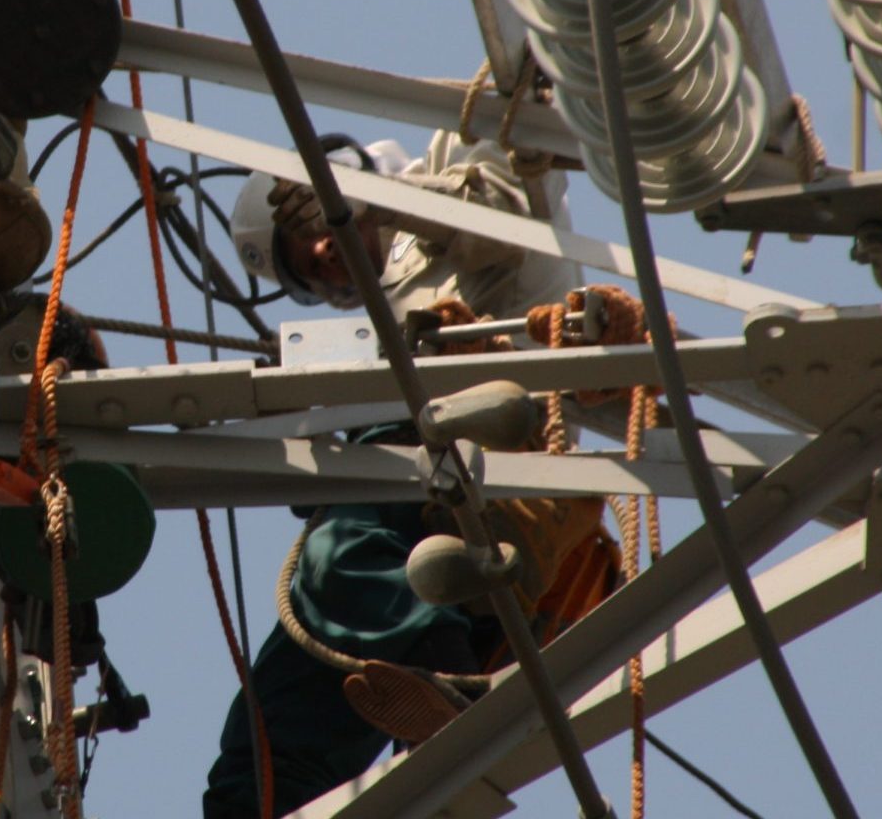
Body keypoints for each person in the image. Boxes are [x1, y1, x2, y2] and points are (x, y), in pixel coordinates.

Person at [205, 131, 603, 819]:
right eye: (309, 272)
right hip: (410, 522)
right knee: (261, 745)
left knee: (339, 559)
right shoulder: (377, 321)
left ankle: (443, 674)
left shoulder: (451, 177)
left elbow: (508, 209)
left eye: (313, 232)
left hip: (477, 466)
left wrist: (372, 200)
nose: (327, 258)